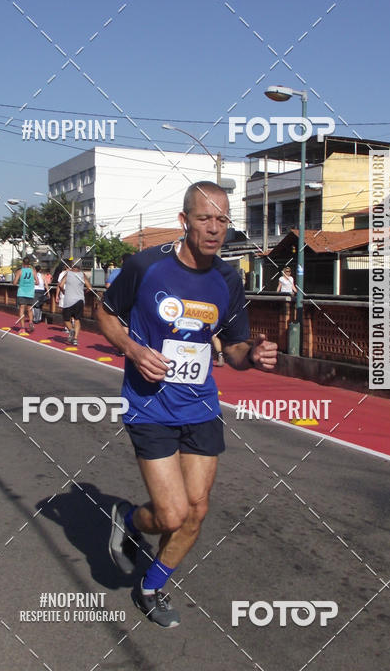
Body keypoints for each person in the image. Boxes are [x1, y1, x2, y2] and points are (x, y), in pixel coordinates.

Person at [98, 181, 277, 628]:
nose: (214, 229)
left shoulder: (230, 278)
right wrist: (134, 351)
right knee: (172, 513)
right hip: (149, 405)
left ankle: (152, 586)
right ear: (184, 221)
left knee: (196, 512)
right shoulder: (145, 265)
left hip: (200, 406)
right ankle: (129, 520)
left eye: (222, 220)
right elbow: (104, 312)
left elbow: (233, 349)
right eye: (204, 218)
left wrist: (250, 356)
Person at [58, 259, 93, 345]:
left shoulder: (68, 274)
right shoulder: (82, 275)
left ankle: (71, 330)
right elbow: (89, 287)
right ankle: (75, 338)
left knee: (66, 318)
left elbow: (61, 285)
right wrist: (83, 293)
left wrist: (63, 291)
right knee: (77, 319)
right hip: (80, 300)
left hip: (69, 300)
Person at [13, 258, 35, 333]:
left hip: (22, 292)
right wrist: (31, 283)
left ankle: (22, 327)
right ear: (29, 264)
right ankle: (31, 321)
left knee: (22, 309)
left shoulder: (20, 271)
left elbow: (15, 282)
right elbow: (37, 282)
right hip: (30, 292)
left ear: (23, 263)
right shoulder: (33, 271)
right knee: (30, 309)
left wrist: (20, 283)